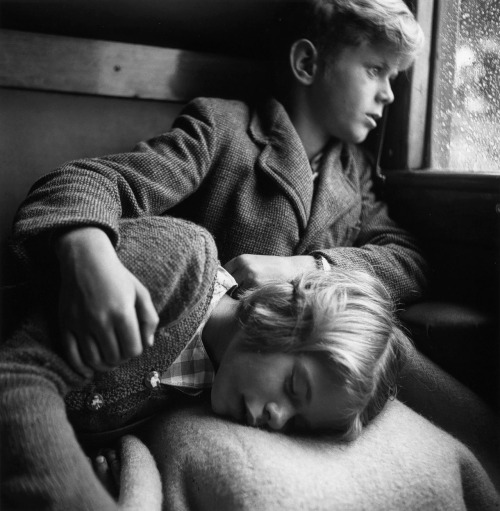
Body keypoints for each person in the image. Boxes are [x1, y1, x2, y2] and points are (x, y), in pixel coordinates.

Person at [9, 0, 428, 381]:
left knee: (397, 354)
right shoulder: (221, 130)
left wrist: (305, 268)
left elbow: (405, 260)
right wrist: (89, 258)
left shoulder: (354, 173)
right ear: (306, 63)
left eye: (392, 76)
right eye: (374, 70)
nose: (388, 94)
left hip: (277, 384)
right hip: (165, 372)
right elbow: (84, 182)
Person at [0, 216, 408, 510]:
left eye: (296, 423)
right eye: (294, 387)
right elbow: (20, 379)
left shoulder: (207, 383)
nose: (276, 418)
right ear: (283, 317)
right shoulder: (181, 263)